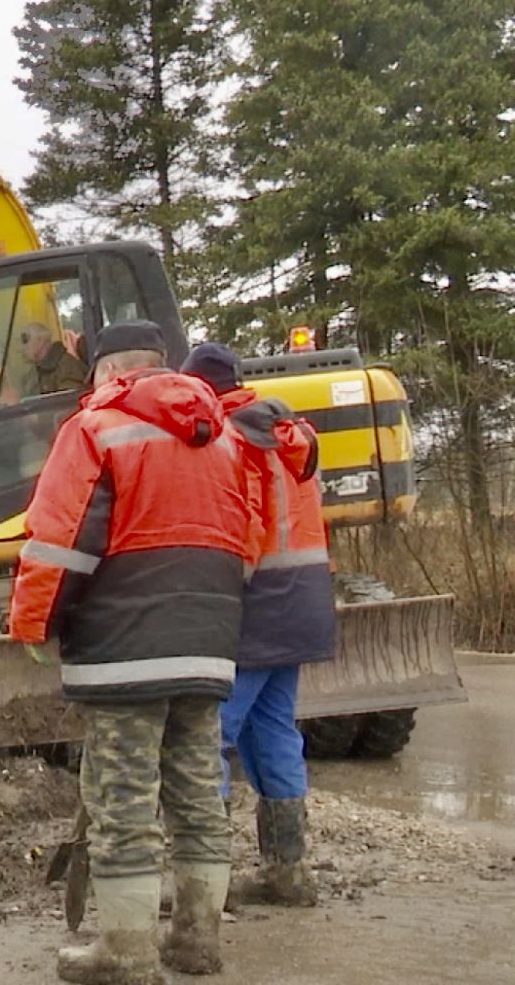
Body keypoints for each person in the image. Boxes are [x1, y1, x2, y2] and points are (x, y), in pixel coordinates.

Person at [8, 321, 255, 982]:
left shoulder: (95, 427)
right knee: (198, 794)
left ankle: (124, 951)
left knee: (121, 799)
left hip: (124, 650)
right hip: (207, 648)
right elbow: (245, 543)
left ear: (104, 370)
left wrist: (32, 627)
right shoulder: (223, 434)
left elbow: (59, 544)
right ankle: (197, 941)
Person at [181, 342, 337, 908]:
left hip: (251, 610)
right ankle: (288, 873)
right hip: (301, 604)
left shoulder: (230, 439)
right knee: (271, 731)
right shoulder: (291, 433)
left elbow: (242, 533)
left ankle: (207, 884)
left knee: (209, 737)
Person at [18, 321, 90, 397]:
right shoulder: (32, 376)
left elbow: (69, 402)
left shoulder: (67, 367)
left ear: (41, 340)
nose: (21, 348)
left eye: (25, 340)